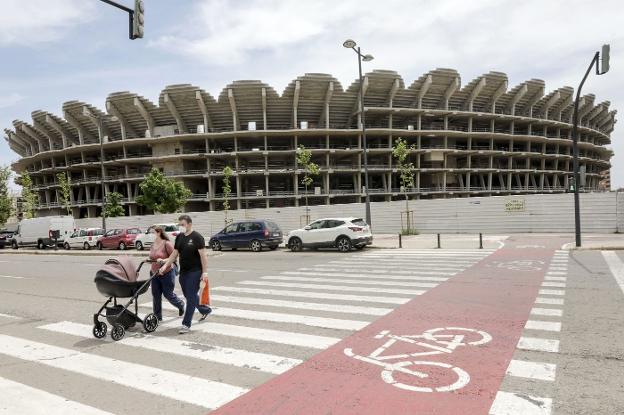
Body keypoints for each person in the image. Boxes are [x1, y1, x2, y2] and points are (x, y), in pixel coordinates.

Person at [159, 215, 211, 334]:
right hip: (184, 272)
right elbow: (174, 254)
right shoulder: (180, 237)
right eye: (180, 225)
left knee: (191, 297)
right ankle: (205, 310)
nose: (181, 227)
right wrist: (166, 265)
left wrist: (205, 272)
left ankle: (186, 324)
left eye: (182, 224)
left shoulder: (197, 237)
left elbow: (203, 256)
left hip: (195, 271)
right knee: (189, 296)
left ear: (189, 224)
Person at [149, 226, 184, 321]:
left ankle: (180, 304)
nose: (151, 234)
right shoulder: (153, 244)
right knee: (155, 295)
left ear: (159, 232)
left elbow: (174, 257)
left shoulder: (167, 244)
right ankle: (157, 317)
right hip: (154, 273)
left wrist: (163, 260)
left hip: (167, 272)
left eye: (153, 232)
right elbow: (152, 257)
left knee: (168, 294)